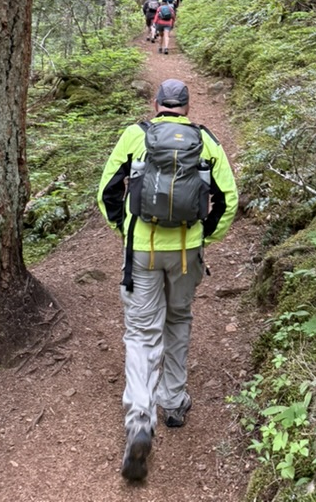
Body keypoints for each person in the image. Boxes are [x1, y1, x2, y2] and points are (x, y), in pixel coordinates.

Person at [97, 79, 238, 482]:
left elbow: (106, 193)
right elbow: (228, 199)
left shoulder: (134, 136)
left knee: (142, 333)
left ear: (156, 103)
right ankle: (173, 403)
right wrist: (204, 237)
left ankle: (140, 418)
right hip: (186, 253)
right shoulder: (206, 141)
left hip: (142, 251)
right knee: (178, 320)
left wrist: (126, 232)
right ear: (188, 108)